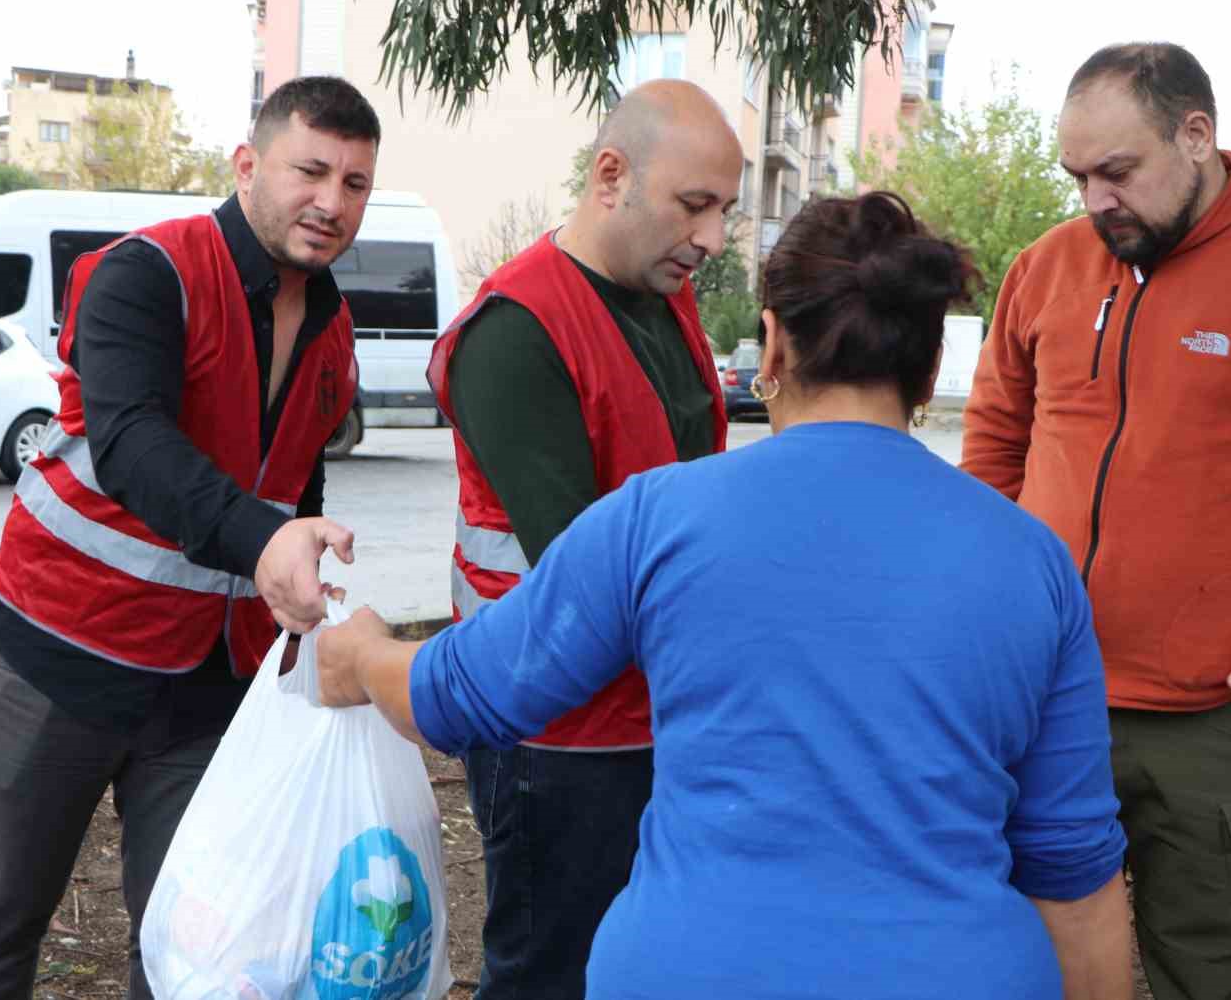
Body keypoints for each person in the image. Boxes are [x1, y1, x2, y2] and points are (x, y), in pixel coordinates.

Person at [318, 192, 1133, 1000]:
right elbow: (1076, 875)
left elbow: (463, 695)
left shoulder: (658, 517)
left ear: (773, 346)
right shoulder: (1032, 559)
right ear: (925, 371)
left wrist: (360, 656)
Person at [0, 76, 379, 1000]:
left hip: (207, 683)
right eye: (311, 171)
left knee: (192, 940)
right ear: (247, 165)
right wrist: (264, 544)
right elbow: (133, 443)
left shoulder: (332, 325)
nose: (332, 202)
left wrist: (309, 605)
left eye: (355, 183)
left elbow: (297, 482)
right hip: (61, 653)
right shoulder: (148, 273)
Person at [961, 42, 1231, 999]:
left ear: (1197, 135)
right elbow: (994, 449)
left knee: (1200, 970)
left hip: (1216, 717)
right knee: (1026, 954)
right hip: (1046, 698)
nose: (1095, 200)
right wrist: (989, 605)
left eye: (1117, 172)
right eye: (1078, 176)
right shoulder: (1046, 268)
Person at [424, 79, 735, 999]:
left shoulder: (658, 293)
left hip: (647, 717)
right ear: (611, 176)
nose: (712, 238)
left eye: (722, 209)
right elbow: (582, 576)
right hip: (554, 737)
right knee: (550, 975)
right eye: (694, 205)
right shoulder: (518, 329)